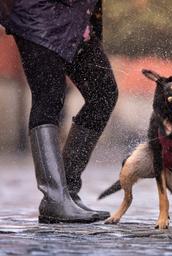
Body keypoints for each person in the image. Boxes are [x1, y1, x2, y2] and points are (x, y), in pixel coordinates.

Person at [0, 0, 118, 224]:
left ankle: (68, 191)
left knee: (103, 93)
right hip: (38, 17)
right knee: (49, 97)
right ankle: (55, 198)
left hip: (76, 19)